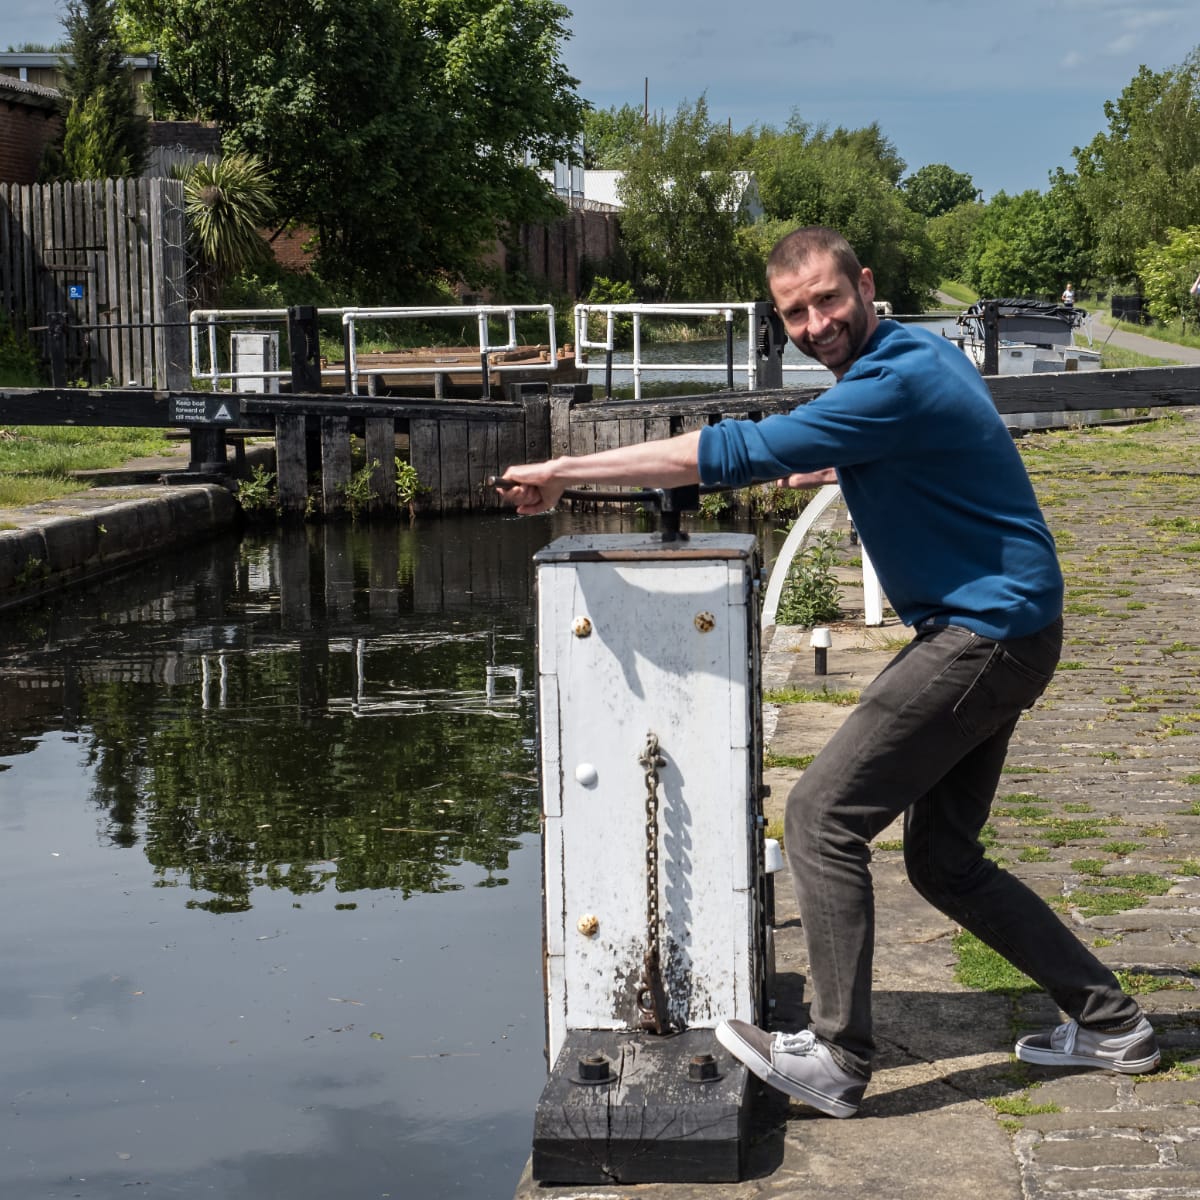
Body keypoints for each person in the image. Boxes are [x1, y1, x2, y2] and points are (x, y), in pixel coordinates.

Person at [497, 226, 1159, 1119]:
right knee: (943, 861)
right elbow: (899, 444)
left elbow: (722, 455)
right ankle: (1111, 1023)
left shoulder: (890, 382)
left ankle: (839, 1058)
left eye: (827, 300)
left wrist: (565, 471)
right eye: (793, 313)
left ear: (866, 286)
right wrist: (833, 457)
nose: (815, 324)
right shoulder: (918, 355)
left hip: (983, 634)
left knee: (821, 816)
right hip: (1013, 624)